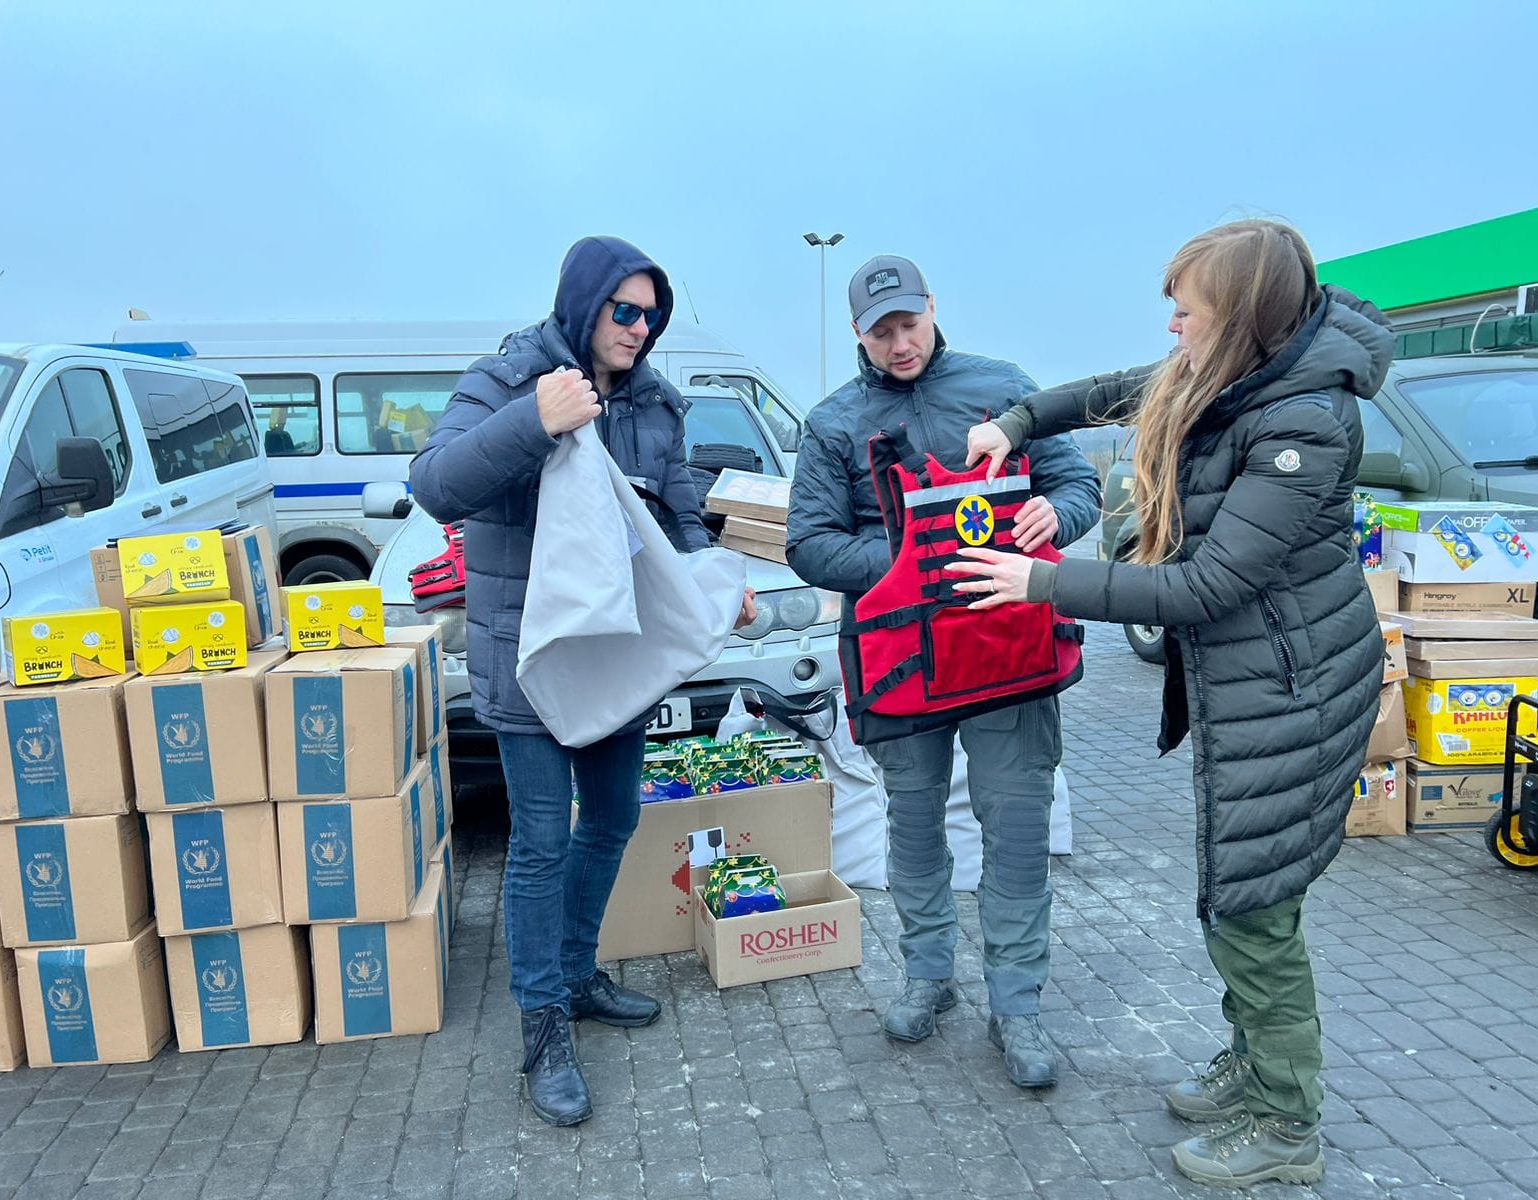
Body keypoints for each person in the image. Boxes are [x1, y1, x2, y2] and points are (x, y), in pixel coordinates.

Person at [954, 219, 1388, 1186]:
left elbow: (1205, 588)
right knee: (1231, 892)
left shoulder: (1302, 421)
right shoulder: (1236, 377)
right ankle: (1257, 1062)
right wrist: (1017, 421)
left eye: (1186, 311)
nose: (1171, 327)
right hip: (1256, 686)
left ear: (1235, 318)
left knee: (1253, 907)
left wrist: (1039, 583)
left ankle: (1288, 1121)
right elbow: (1112, 390)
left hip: (1295, 694)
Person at [410, 235, 755, 1127]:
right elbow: (436, 486)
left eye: (652, 314)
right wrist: (537, 418)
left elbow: (681, 519)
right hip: (528, 654)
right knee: (540, 842)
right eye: (624, 311)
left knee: (610, 819)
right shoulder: (510, 376)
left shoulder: (654, 403)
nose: (640, 329)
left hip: (617, 652)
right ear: (583, 302)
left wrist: (717, 590)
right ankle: (542, 1025)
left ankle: (575, 970)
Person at [786, 254, 1101, 1087]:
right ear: (856, 332)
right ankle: (929, 978)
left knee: (1019, 827)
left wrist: (1054, 512)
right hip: (899, 664)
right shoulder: (832, 422)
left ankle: (1019, 1005)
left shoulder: (1004, 389)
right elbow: (809, 541)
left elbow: (1077, 486)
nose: (900, 343)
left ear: (933, 310)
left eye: (910, 323)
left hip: (1009, 653)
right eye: (881, 330)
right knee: (915, 824)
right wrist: (909, 561)